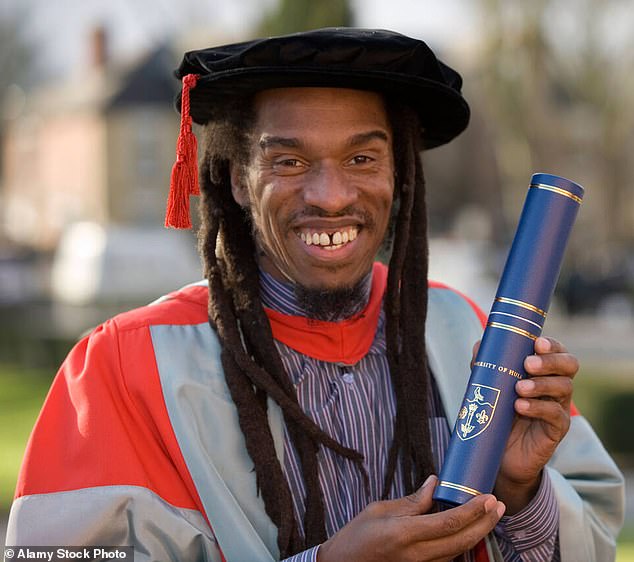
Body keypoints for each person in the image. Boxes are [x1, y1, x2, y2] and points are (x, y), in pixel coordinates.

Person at [6, 28, 624, 561]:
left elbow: (596, 541)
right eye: (291, 162)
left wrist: (521, 493)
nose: (331, 195)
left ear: (398, 174)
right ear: (238, 181)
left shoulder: (472, 335)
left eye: (361, 157)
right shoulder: (123, 370)